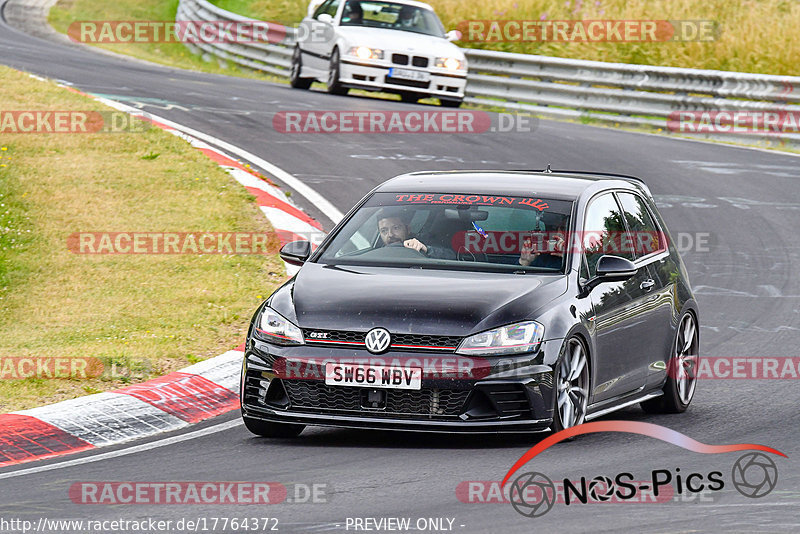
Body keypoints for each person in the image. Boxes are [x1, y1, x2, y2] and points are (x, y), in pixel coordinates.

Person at [377, 210, 455, 259]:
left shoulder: (424, 241)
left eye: (396, 228)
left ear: (408, 229)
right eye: (384, 230)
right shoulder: (377, 253)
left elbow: (451, 256)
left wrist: (426, 249)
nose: (390, 234)